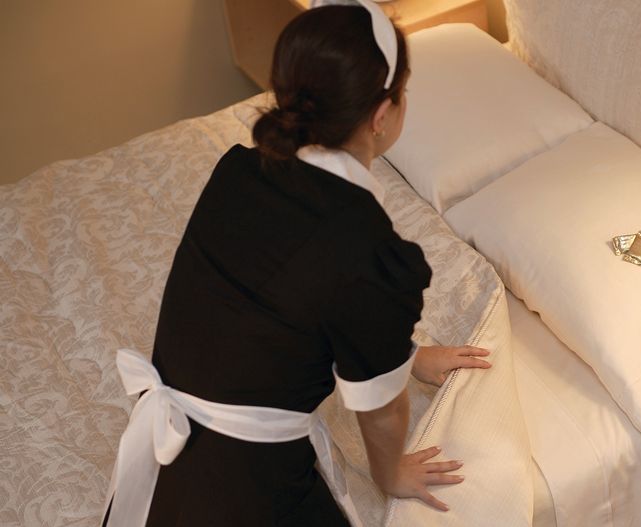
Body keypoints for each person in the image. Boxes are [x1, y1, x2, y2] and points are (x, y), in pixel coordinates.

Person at [102, 2, 490, 526]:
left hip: (171, 461)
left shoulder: (238, 172)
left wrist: (404, 354)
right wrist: (391, 473)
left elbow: (280, 301)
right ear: (381, 116)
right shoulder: (368, 249)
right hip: (247, 492)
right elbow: (380, 411)